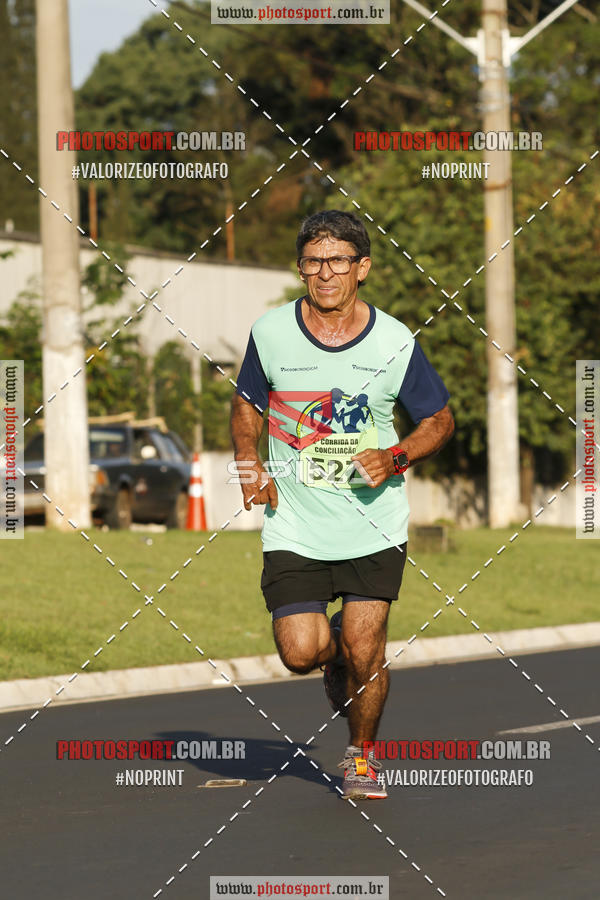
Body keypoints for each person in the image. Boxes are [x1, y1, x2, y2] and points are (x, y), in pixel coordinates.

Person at [231, 210, 454, 800]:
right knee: (301, 653)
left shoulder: (393, 340)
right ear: (300, 267)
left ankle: (361, 757)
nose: (324, 272)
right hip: (296, 525)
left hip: (374, 523)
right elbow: (247, 406)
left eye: (337, 261)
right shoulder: (271, 332)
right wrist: (251, 463)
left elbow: (438, 420)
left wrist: (398, 457)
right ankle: (334, 661)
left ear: (363, 267)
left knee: (366, 648)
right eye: (312, 261)